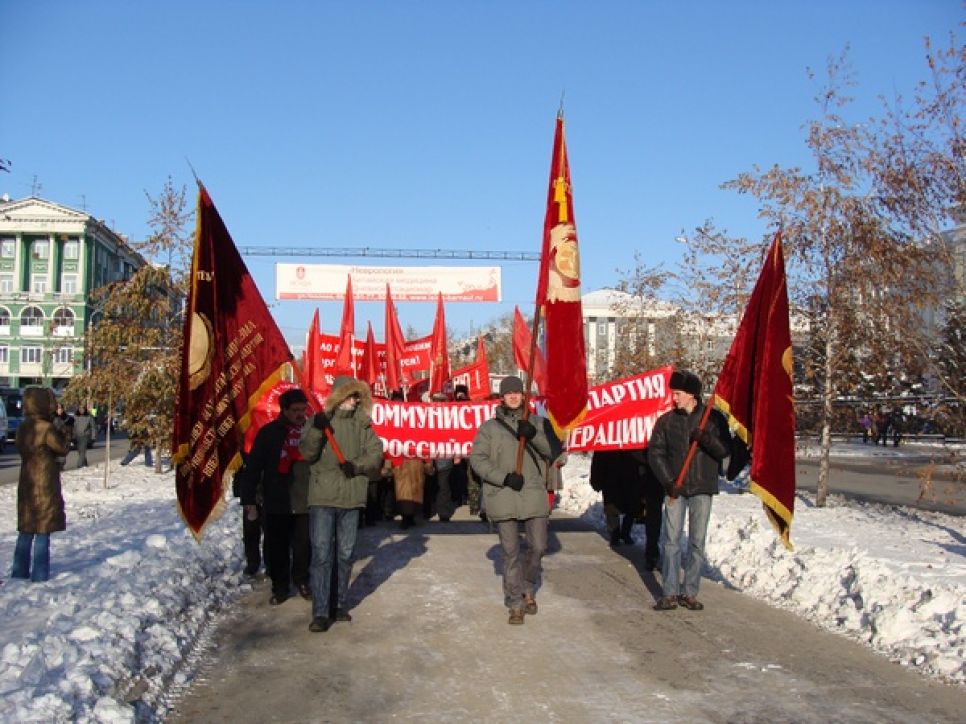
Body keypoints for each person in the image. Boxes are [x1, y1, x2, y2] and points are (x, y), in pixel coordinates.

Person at [300, 376, 384, 633]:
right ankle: (321, 611)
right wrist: (316, 428)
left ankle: (338, 604)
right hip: (323, 498)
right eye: (349, 395)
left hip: (351, 497)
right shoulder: (321, 421)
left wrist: (356, 465)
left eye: (357, 396)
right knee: (322, 554)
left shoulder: (363, 424)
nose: (353, 400)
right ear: (338, 396)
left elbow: (376, 453)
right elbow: (307, 452)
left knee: (346, 554)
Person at [470, 375, 552, 625]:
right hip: (503, 495)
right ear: (502, 397)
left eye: (518, 392)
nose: (514, 396)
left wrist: (534, 435)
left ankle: (528, 585)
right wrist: (503, 478)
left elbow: (554, 451)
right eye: (509, 393)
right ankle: (515, 602)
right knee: (510, 552)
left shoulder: (537, 421)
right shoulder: (489, 428)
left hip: (533, 494)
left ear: (523, 395)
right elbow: (478, 460)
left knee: (538, 547)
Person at [648, 370, 731, 612]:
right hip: (676, 489)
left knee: (697, 542)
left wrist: (705, 439)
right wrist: (668, 481)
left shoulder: (713, 419)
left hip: (702, 488)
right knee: (671, 542)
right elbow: (656, 453)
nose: (674, 398)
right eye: (673, 393)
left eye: (678, 394)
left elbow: (724, 451)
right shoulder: (666, 422)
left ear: (692, 395)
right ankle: (670, 592)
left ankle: (690, 592)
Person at [239, 389, 312, 605]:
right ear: (285, 410)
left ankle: (302, 580)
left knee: (303, 546)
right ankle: (280, 587)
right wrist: (249, 499)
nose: (300, 414)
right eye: (295, 410)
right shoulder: (269, 433)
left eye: (303, 409)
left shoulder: (311, 432)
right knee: (277, 547)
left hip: (304, 499)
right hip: (276, 499)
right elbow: (253, 468)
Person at [11, 387, 70, 582]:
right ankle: (39, 574)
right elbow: (62, 448)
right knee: (42, 530)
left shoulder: (23, 427)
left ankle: (19, 572)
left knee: (26, 529)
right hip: (44, 481)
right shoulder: (46, 428)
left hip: (26, 479)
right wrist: (64, 430)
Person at [589, 449, 643, 547]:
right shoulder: (606, 442)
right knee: (611, 508)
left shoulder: (632, 441)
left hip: (630, 476)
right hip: (610, 478)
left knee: (632, 507)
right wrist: (595, 480)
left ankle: (625, 533)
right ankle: (615, 534)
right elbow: (597, 462)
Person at [51, 403, 74, 470]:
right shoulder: (51, 418)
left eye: (60, 408)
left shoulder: (68, 419)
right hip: (53, 440)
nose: (59, 410)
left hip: (63, 441)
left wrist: (69, 439)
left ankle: (60, 469)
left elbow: (71, 430)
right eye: (58, 408)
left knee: (61, 459)